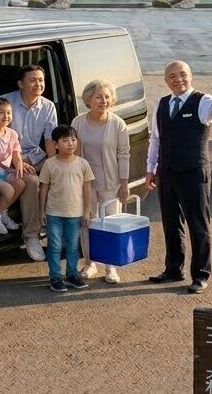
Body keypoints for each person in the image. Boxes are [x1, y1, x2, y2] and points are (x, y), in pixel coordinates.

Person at [145, 60, 212, 294]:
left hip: (193, 172)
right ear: (166, 81)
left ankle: (201, 274)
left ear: (191, 76)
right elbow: (156, 139)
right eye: (172, 76)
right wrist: (150, 168)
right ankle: (173, 268)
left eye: (182, 74)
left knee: (198, 224)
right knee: (171, 223)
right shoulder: (162, 104)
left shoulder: (203, 101)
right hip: (167, 171)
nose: (178, 79)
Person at [72, 79, 131, 284]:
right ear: (88, 99)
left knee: (110, 224)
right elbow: (73, 155)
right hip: (85, 182)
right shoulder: (78, 122)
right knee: (87, 222)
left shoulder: (118, 124)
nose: (103, 100)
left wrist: (124, 183)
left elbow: (124, 154)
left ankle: (110, 266)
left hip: (111, 182)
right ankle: (89, 263)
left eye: (107, 96)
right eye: (98, 96)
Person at [1, 64, 58, 262]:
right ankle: (32, 235)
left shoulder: (48, 106)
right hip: (9, 156)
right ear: (20, 84)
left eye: (41, 80)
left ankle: (59, 234)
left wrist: (53, 167)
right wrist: (16, 159)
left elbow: (50, 141)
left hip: (35, 158)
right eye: (33, 80)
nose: (38, 84)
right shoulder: (6, 101)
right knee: (32, 182)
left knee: (57, 176)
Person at [38, 125, 93, 292]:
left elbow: (87, 188)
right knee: (54, 246)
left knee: (72, 246)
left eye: (73, 139)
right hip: (54, 213)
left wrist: (86, 211)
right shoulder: (50, 164)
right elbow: (44, 189)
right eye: (65, 140)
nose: (70, 143)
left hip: (75, 213)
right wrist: (41, 211)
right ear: (55, 145)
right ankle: (55, 276)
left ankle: (72, 274)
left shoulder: (83, 164)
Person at [0, 97, 26, 235]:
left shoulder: (12, 134)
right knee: (8, 190)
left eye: (9, 113)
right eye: (1, 112)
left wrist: (19, 164)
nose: (6, 116)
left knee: (20, 184)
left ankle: (3, 213)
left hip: (5, 170)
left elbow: (15, 152)